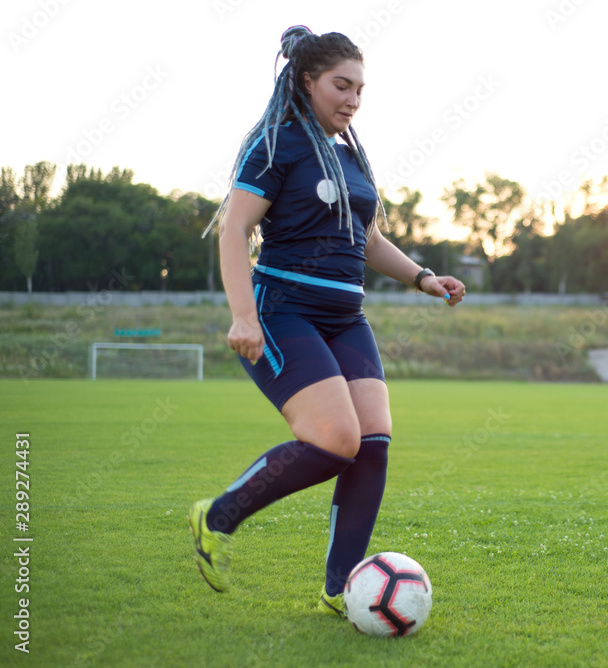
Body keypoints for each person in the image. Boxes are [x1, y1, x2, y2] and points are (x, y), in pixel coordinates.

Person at [187, 25, 466, 617]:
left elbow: (366, 239)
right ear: (307, 80)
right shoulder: (275, 143)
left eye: (361, 91)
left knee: (373, 443)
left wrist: (423, 277)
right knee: (336, 439)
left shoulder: (347, 158)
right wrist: (243, 315)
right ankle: (217, 515)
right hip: (283, 311)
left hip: (346, 317)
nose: (352, 100)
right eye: (342, 85)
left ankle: (338, 592)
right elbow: (235, 230)